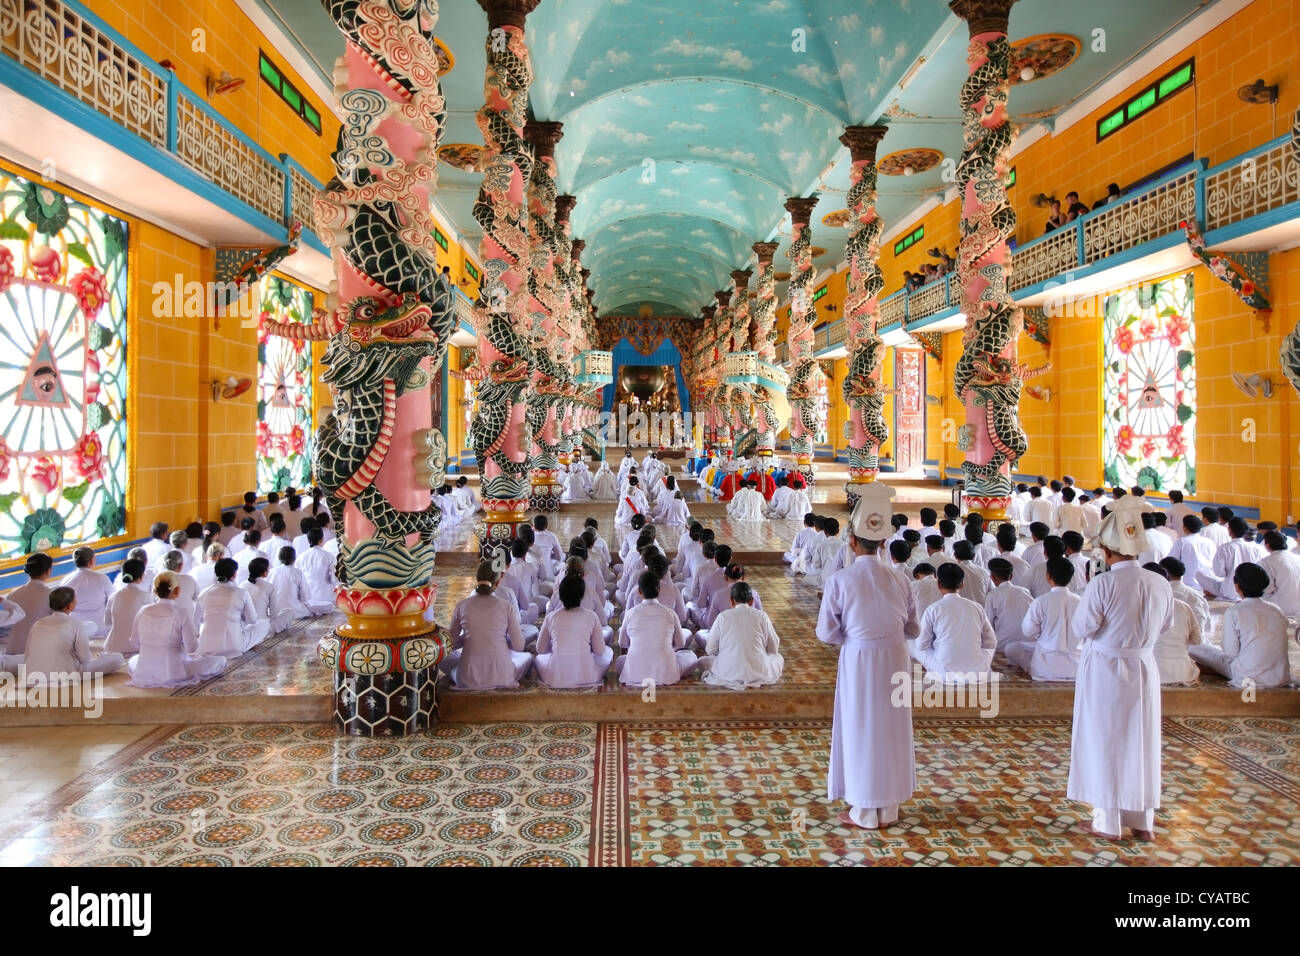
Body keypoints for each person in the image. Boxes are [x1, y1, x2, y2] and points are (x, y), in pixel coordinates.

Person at [1068, 493, 1172, 841]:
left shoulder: (1104, 583)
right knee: (1139, 742)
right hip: (1143, 667)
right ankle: (1143, 821)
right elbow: (1166, 625)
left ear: (1108, 551)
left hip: (1107, 670)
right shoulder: (1159, 582)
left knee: (1107, 740)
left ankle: (1107, 822)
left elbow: (1082, 628)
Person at [818, 484, 918, 830]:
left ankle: (863, 809)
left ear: (853, 542)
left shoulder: (841, 580)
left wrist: (855, 635)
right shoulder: (901, 579)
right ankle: (888, 808)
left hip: (860, 660)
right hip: (895, 658)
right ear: (885, 543)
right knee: (890, 728)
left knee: (861, 726)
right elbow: (913, 628)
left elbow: (826, 632)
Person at [1189, 563, 1291, 688]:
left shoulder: (1235, 611)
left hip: (1247, 677)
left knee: (1193, 647)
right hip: (1280, 677)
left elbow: (1230, 653)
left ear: (1237, 587)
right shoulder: (1276, 609)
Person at [127, 574, 226, 688]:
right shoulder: (181, 613)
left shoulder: (142, 611)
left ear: (154, 590)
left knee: (133, 660)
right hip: (173, 672)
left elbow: (134, 643)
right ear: (177, 590)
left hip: (144, 672)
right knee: (220, 661)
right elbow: (191, 648)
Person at [913, 563, 997, 680]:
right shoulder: (977, 607)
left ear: (938, 584)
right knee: (984, 651)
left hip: (944, 672)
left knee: (914, 646)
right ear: (962, 584)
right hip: (977, 671)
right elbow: (991, 642)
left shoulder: (933, 609)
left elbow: (922, 644)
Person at [23, 587, 125, 682]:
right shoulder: (75, 623)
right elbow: (85, 659)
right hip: (67, 675)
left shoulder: (38, 623)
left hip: (33, 676)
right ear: (69, 605)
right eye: (75, 600)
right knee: (118, 658)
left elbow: (27, 654)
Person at [616, 571, 698, 686]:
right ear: (659, 589)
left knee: (620, 661)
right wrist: (665, 650)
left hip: (635, 673)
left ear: (639, 591)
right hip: (666, 672)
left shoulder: (630, 613)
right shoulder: (670, 613)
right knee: (691, 656)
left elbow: (622, 643)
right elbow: (680, 643)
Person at [1005, 557, 1081, 680]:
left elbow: (1028, 630)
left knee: (1011, 648)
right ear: (1070, 577)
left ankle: (1033, 665)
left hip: (1044, 668)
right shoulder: (1080, 601)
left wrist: (1041, 635)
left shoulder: (1041, 601)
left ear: (1048, 577)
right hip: (1076, 669)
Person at [700, 582, 784, 689]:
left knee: (704, 661)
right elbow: (773, 648)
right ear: (752, 601)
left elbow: (710, 649)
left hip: (728, 672)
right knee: (778, 658)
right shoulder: (762, 616)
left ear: (731, 600)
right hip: (759, 671)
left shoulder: (723, 617)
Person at [534, 575, 612, 689]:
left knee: (538, 659)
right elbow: (599, 651)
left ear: (560, 596)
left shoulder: (551, 617)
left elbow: (540, 649)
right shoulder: (591, 616)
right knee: (608, 652)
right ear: (581, 596)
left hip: (555, 675)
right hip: (587, 675)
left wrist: (556, 646)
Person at [196, 558, 270, 657]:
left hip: (206, 647)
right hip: (233, 647)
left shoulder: (204, 593)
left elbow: (196, 620)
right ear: (234, 575)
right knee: (263, 624)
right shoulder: (241, 593)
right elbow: (252, 620)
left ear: (216, 573)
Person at [1142, 563, 1201, 685]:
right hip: (1184, 672)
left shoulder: (1140, 607)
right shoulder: (1183, 606)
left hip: (1152, 671)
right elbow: (1196, 640)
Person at [1204, 517, 1266, 602]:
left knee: (1201, 575)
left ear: (1229, 530)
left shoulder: (1224, 548)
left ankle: (1215, 593)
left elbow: (1219, 573)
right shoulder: (1257, 548)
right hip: (1253, 590)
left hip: (1230, 591)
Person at [58, 547, 113, 638]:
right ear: (92, 561)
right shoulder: (101, 579)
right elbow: (113, 600)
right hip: (101, 631)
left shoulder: (66, 580)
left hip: (74, 631)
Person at [983, 558, 1034, 652]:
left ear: (993, 578)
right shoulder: (1024, 591)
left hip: (1003, 644)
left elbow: (988, 624)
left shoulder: (992, 595)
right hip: (1028, 641)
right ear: (1011, 577)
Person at [103, 558, 151, 656]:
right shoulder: (146, 596)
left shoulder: (114, 596)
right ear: (142, 576)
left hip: (113, 647)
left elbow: (107, 623)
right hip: (137, 648)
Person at [269, 546, 325, 630]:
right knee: (328, 606)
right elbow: (305, 597)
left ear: (279, 558)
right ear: (294, 558)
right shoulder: (297, 572)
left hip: (274, 610)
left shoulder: (272, 571)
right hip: (296, 610)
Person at [1158, 556, 1213, 639]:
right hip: (1196, 645)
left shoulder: (1160, 595)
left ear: (1165, 573)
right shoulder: (1196, 595)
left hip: (1165, 645)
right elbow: (1207, 627)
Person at [1169, 515, 1217, 597]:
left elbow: (1172, 560)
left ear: (1185, 528)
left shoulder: (1182, 541)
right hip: (1207, 584)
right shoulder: (1209, 542)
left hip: (1188, 583)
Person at [1259, 530, 1300, 615]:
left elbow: (1268, 589)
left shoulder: (1266, 562)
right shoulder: (1297, 558)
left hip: (1280, 607)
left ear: (1267, 545)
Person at [297, 528, 338, 610]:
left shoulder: (300, 558)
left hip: (308, 598)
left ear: (308, 541)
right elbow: (334, 580)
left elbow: (299, 580)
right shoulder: (328, 556)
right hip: (327, 598)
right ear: (322, 539)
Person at [160, 550, 200, 627]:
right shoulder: (189, 579)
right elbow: (197, 598)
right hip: (186, 623)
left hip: (163, 623)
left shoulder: (158, 579)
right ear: (181, 565)